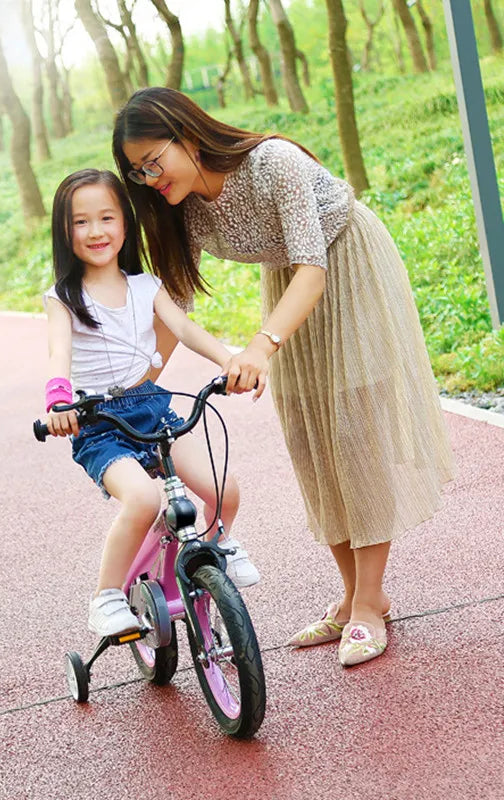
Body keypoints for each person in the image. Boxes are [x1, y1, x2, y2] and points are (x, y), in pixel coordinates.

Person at [112, 87, 455, 666]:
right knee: (310, 435)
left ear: (187, 135)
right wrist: (137, 381)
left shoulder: (274, 163)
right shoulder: (186, 208)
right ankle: (350, 600)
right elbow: (174, 305)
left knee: (354, 431)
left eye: (153, 162)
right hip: (289, 287)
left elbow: (313, 266)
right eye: (138, 172)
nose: (149, 179)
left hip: (343, 269)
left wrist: (261, 344)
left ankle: (371, 602)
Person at [42, 168, 260, 638]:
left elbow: (185, 330)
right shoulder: (63, 298)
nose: (96, 231)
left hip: (153, 409)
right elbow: (59, 354)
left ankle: (215, 549)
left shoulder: (147, 287)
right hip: (98, 422)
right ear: (64, 231)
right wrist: (59, 401)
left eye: (106, 217)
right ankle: (106, 598)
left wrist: (231, 360)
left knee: (224, 487)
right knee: (142, 499)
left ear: (125, 223)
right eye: (81, 222)